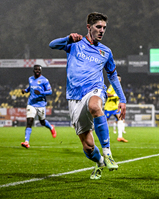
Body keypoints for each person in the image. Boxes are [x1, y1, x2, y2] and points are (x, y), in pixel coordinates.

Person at [49, 12, 126, 180]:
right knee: (88, 147)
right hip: (74, 97)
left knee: (95, 106)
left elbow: (112, 76)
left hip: (95, 89)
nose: (102, 30)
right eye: (98, 27)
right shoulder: (74, 44)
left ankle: (108, 153)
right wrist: (67, 38)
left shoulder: (106, 52)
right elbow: (52, 45)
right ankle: (99, 161)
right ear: (88, 27)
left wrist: (123, 99)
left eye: (104, 28)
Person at [21, 65, 57, 149]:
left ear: (41, 71)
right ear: (33, 70)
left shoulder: (44, 80)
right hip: (31, 104)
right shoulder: (30, 79)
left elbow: (50, 91)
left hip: (41, 104)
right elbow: (30, 87)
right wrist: (25, 90)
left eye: (39, 70)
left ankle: (51, 127)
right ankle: (27, 142)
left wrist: (41, 93)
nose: (37, 71)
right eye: (36, 69)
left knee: (42, 122)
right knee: (29, 121)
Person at [104, 74, 128, 143]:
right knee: (104, 121)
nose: (118, 80)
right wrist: (114, 95)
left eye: (119, 79)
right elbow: (107, 94)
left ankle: (120, 137)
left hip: (115, 107)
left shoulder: (119, 88)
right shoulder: (112, 86)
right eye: (117, 78)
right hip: (109, 107)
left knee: (120, 119)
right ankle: (103, 136)